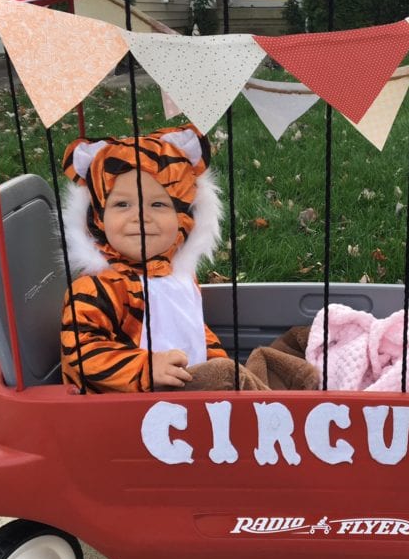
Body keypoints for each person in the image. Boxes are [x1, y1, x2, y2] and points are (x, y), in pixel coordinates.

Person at [59, 125, 283, 393]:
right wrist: (146, 367)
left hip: (190, 394)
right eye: (121, 205)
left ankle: (291, 388)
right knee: (228, 374)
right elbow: (81, 349)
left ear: (183, 217)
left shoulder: (180, 276)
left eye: (158, 204)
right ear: (98, 218)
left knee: (275, 354)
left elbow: (196, 332)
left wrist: (216, 358)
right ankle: (277, 412)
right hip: (129, 407)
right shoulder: (98, 288)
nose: (140, 216)